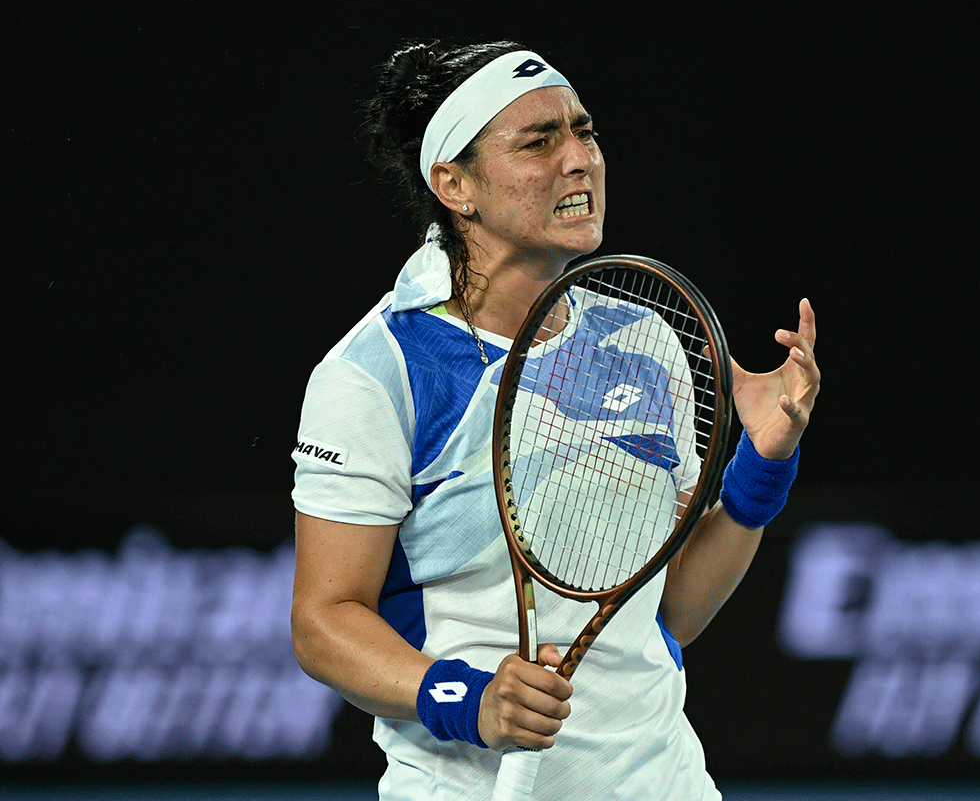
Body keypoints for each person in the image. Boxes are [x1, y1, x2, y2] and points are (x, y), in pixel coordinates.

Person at [290, 39, 820, 801]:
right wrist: (467, 700)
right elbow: (323, 622)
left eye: (585, 131)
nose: (580, 160)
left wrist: (761, 469)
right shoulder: (376, 374)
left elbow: (667, 612)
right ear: (454, 184)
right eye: (539, 142)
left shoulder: (647, 340)